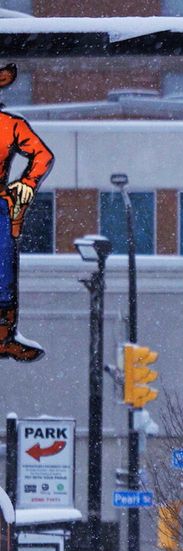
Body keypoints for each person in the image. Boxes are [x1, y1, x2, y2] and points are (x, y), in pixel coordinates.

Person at [0, 63, 53, 363]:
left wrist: (27, 183)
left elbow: (42, 156)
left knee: (3, 274)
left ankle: (3, 337)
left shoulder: (9, 125)